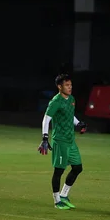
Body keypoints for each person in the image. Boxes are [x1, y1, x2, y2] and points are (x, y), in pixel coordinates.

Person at [38, 74, 87, 210]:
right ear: (59, 87)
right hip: (60, 141)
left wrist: (79, 123)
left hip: (71, 140)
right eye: (67, 85)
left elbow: (70, 116)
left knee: (78, 168)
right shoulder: (55, 101)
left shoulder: (71, 99)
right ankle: (56, 200)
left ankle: (64, 195)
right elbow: (46, 119)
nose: (70, 87)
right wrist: (45, 137)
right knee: (59, 171)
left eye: (70, 85)